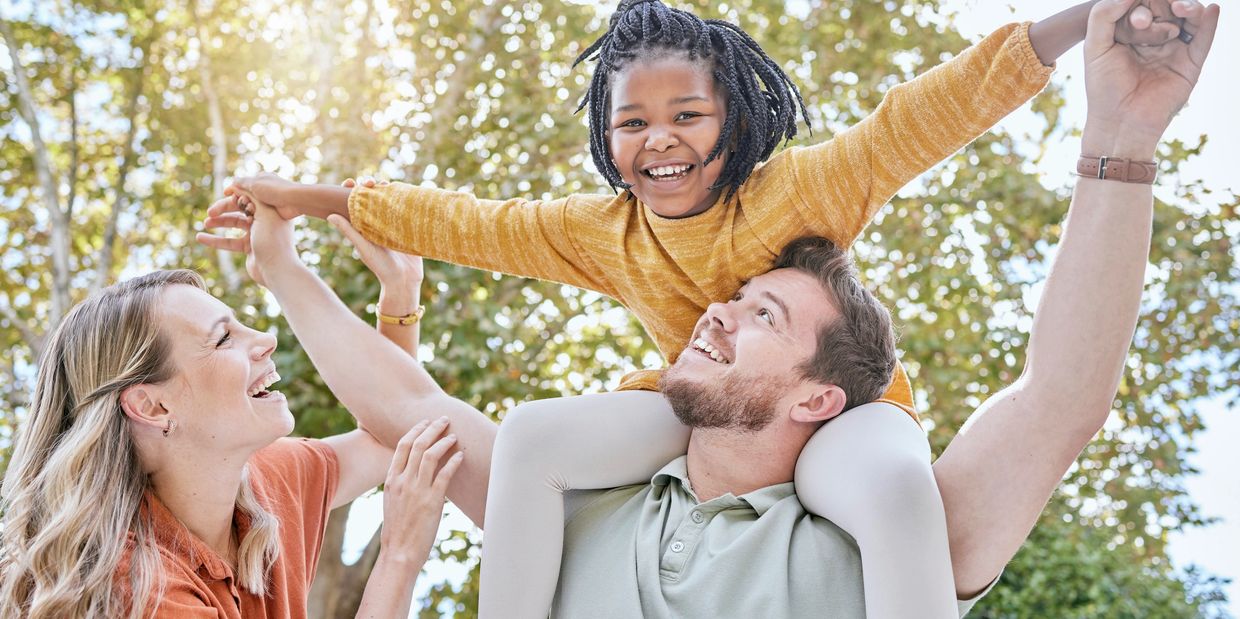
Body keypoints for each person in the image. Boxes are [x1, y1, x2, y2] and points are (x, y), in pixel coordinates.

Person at [206, 1, 1218, 615]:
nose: (660, 139)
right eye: (633, 121)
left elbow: (927, 115)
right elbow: (464, 230)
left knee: (900, 491)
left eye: (767, 310)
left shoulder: (802, 207)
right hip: (667, 420)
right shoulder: (584, 503)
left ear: (737, 118)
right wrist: (297, 224)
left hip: (866, 432)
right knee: (529, 433)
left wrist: (1085, 40)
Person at [0, 233, 459, 617]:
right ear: (153, 406)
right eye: (223, 338)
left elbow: (386, 435)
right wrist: (399, 555)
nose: (266, 339)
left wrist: (399, 293)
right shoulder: (134, 588)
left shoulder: (269, 483)